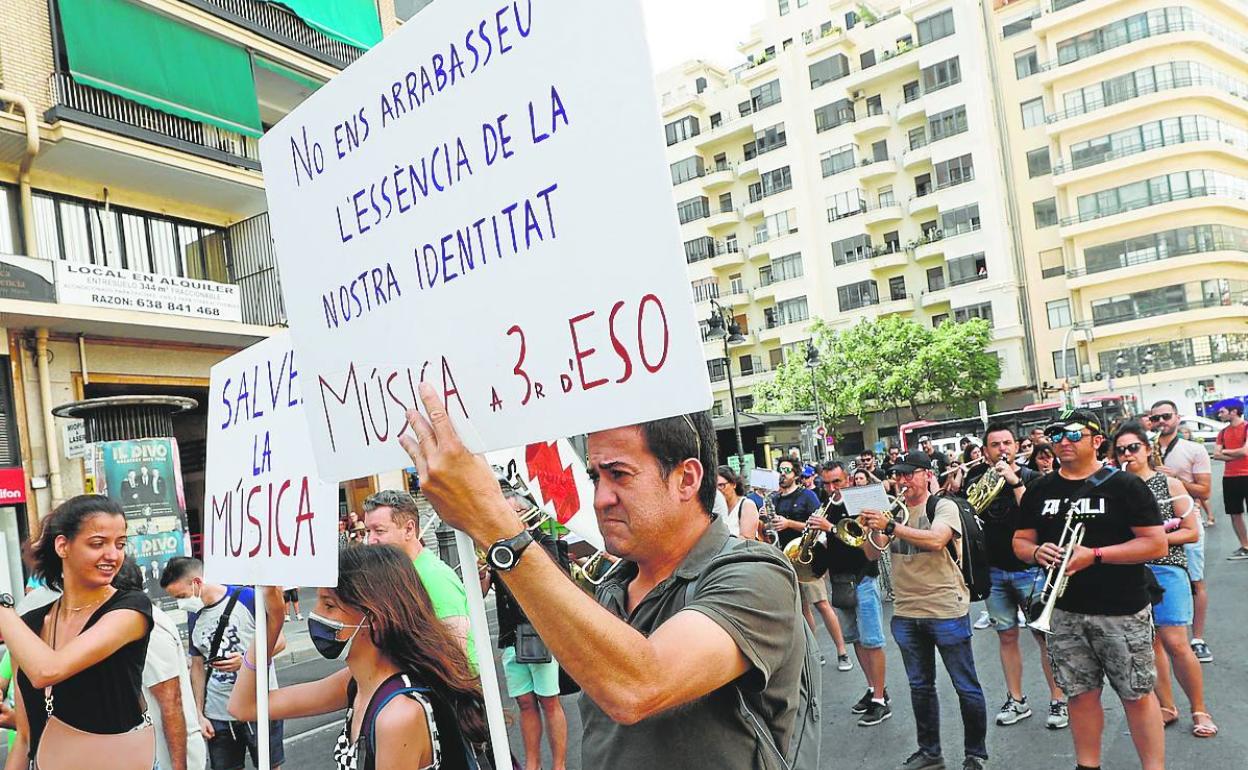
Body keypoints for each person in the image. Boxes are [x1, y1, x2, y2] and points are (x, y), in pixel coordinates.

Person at [397, 384, 813, 769]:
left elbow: (639, 685)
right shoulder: (611, 585)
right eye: (596, 476)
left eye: (619, 474)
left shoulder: (757, 574)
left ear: (686, 478)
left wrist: (495, 526)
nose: (600, 498)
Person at [228, 546, 488, 770]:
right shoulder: (357, 682)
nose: (315, 615)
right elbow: (244, 707)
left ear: (374, 619)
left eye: (329, 606)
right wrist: (271, 622)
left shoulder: (398, 714)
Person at [1014, 409, 1168, 770]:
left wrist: (1094, 555)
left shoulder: (1125, 485)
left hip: (1121, 610)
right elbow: (1020, 541)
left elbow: (1155, 545)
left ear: (1097, 441)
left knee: (1136, 695)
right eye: (1055, 436)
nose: (1062, 442)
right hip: (1065, 611)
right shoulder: (1040, 488)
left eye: (1072, 435)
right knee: (1079, 696)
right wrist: (1037, 552)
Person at [0, 495, 155, 768]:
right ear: (63, 545)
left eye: (120, 544)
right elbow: (25, 738)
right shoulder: (29, 625)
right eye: (98, 544)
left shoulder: (130, 608)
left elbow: (47, 671)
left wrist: (2, 610)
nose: (113, 555)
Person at [859, 451, 987, 770]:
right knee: (920, 687)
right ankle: (930, 752)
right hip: (906, 611)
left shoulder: (943, 506)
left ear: (927, 474)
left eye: (909, 474)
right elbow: (871, 555)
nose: (902, 481)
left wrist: (891, 526)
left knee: (965, 685)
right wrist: (871, 528)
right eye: (898, 475)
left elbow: (936, 540)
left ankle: (975, 755)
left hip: (945, 608)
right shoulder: (893, 510)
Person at [1112, 423, 1216, 739]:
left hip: (1166, 568)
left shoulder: (1168, 484)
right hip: (1131, 572)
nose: (1127, 454)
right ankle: (1167, 706)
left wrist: (1154, 540)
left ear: (1146, 449)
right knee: (1150, 642)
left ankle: (1200, 708)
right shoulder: (1117, 487)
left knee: (1176, 642)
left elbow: (1191, 531)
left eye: (1133, 448)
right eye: (1120, 450)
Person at [972, 424, 1067, 730]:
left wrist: (1013, 482)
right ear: (986, 451)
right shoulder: (977, 481)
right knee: (1007, 636)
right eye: (995, 444)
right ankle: (1016, 699)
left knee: (1043, 637)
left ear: (1016, 447)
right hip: (994, 570)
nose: (1002, 448)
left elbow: (1038, 514)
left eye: (1007, 443)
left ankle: (1058, 699)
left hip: (1030, 569)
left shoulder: (1033, 479)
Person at [159, 557, 286, 770]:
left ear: (197, 583)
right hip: (218, 713)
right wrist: (199, 714)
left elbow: (280, 641)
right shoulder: (194, 615)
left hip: (259, 706)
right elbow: (198, 666)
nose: (181, 603)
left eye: (181, 596)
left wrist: (247, 660)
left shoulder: (247, 598)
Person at [483, 494, 570, 770]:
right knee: (524, 702)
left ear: (523, 513)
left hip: (536, 631)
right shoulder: (497, 546)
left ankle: (559, 765)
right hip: (511, 635)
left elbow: (550, 584)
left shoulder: (543, 543)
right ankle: (532, 764)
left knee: (548, 700)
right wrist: (483, 573)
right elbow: (482, 592)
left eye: (510, 512)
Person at [811, 462, 890, 727]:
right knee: (856, 639)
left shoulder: (859, 502)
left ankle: (880, 700)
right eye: (827, 483)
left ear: (847, 479)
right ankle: (872, 689)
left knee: (872, 641)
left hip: (863, 577)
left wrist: (829, 529)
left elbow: (862, 541)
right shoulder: (826, 505)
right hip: (840, 580)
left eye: (837, 482)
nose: (832, 488)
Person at [361, 489, 474, 664]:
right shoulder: (396, 573)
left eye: (379, 531)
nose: (371, 540)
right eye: (368, 531)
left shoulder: (435, 578)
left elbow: (455, 655)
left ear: (409, 529)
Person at [114, 557, 206, 770]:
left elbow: (170, 701)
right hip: (151, 749)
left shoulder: (146, 628)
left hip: (168, 754)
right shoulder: (128, 623)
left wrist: (178, 766)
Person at [1149, 400, 1215, 663]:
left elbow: (1206, 491)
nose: (1161, 422)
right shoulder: (1146, 449)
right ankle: (1166, 637)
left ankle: (1197, 638)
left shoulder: (1193, 449)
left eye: (1166, 416)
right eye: (1155, 419)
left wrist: (1176, 479)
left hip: (1187, 519)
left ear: (1177, 418)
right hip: (1154, 525)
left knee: (1195, 581)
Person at [773, 457, 849, 670]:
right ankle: (814, 650)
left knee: (822, 604)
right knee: (802, 608)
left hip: (809, 556)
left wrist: (788, 523)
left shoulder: (807, 496)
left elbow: (816, 525)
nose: (783, 474)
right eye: (780, 470)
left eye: (787, 470)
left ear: (796, 474)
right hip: (787, 557)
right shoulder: (775, 499)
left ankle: (842, 652)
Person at [1211, 397, 1248, 559]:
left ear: (1233, 412)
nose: (1219, 414)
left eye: (1222, 411)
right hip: (1230, 477)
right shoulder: (1223, 432)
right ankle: (1245, 546)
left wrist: (1225, 452)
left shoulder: (1247, 428)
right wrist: (1236, 453)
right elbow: (1216, 455)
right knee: (1235, 513)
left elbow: (1245, 452)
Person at [716, 465, 760, 540]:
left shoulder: (747, 505)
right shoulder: (716, 509)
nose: (718, 491)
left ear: (733, 484)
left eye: (721, 485)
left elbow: (747, 539)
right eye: (715, 487)